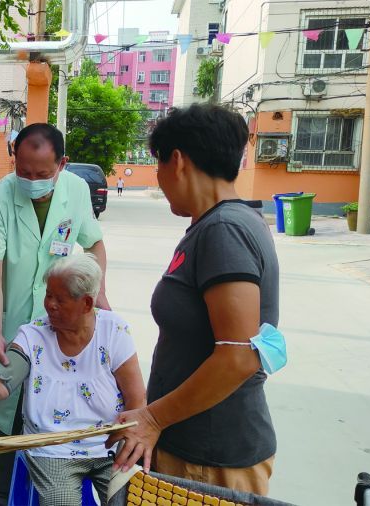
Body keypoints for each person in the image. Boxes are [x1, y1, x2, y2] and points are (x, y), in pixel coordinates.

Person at [109, 105, 279, 495]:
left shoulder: (225, 229)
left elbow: (238, 355)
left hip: (209, 457)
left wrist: (153, 418)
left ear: (179, 161)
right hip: (192, 447)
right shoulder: (217, 224)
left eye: (158, 164)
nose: (159, 177)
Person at [0, 254, 145, 505]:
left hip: (109, 445)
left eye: (60, 299)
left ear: (86, 303)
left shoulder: (113, 331)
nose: (50, 304)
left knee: (134, 500)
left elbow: (136, 398)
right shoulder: (34, 334)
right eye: (48, 295)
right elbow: (1, 380)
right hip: (53, 449)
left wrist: (130, 441)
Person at [0, 123, 111, 504]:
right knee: (9, 426)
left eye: (42, 174)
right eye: (24, 172)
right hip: (14, 327)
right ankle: (0, 495)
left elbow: (94, 244)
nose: (32, 181)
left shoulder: (76, 191)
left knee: (60, 425)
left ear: (62, 164)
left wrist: (98, 293)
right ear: (14, 160)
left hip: (63, 329)